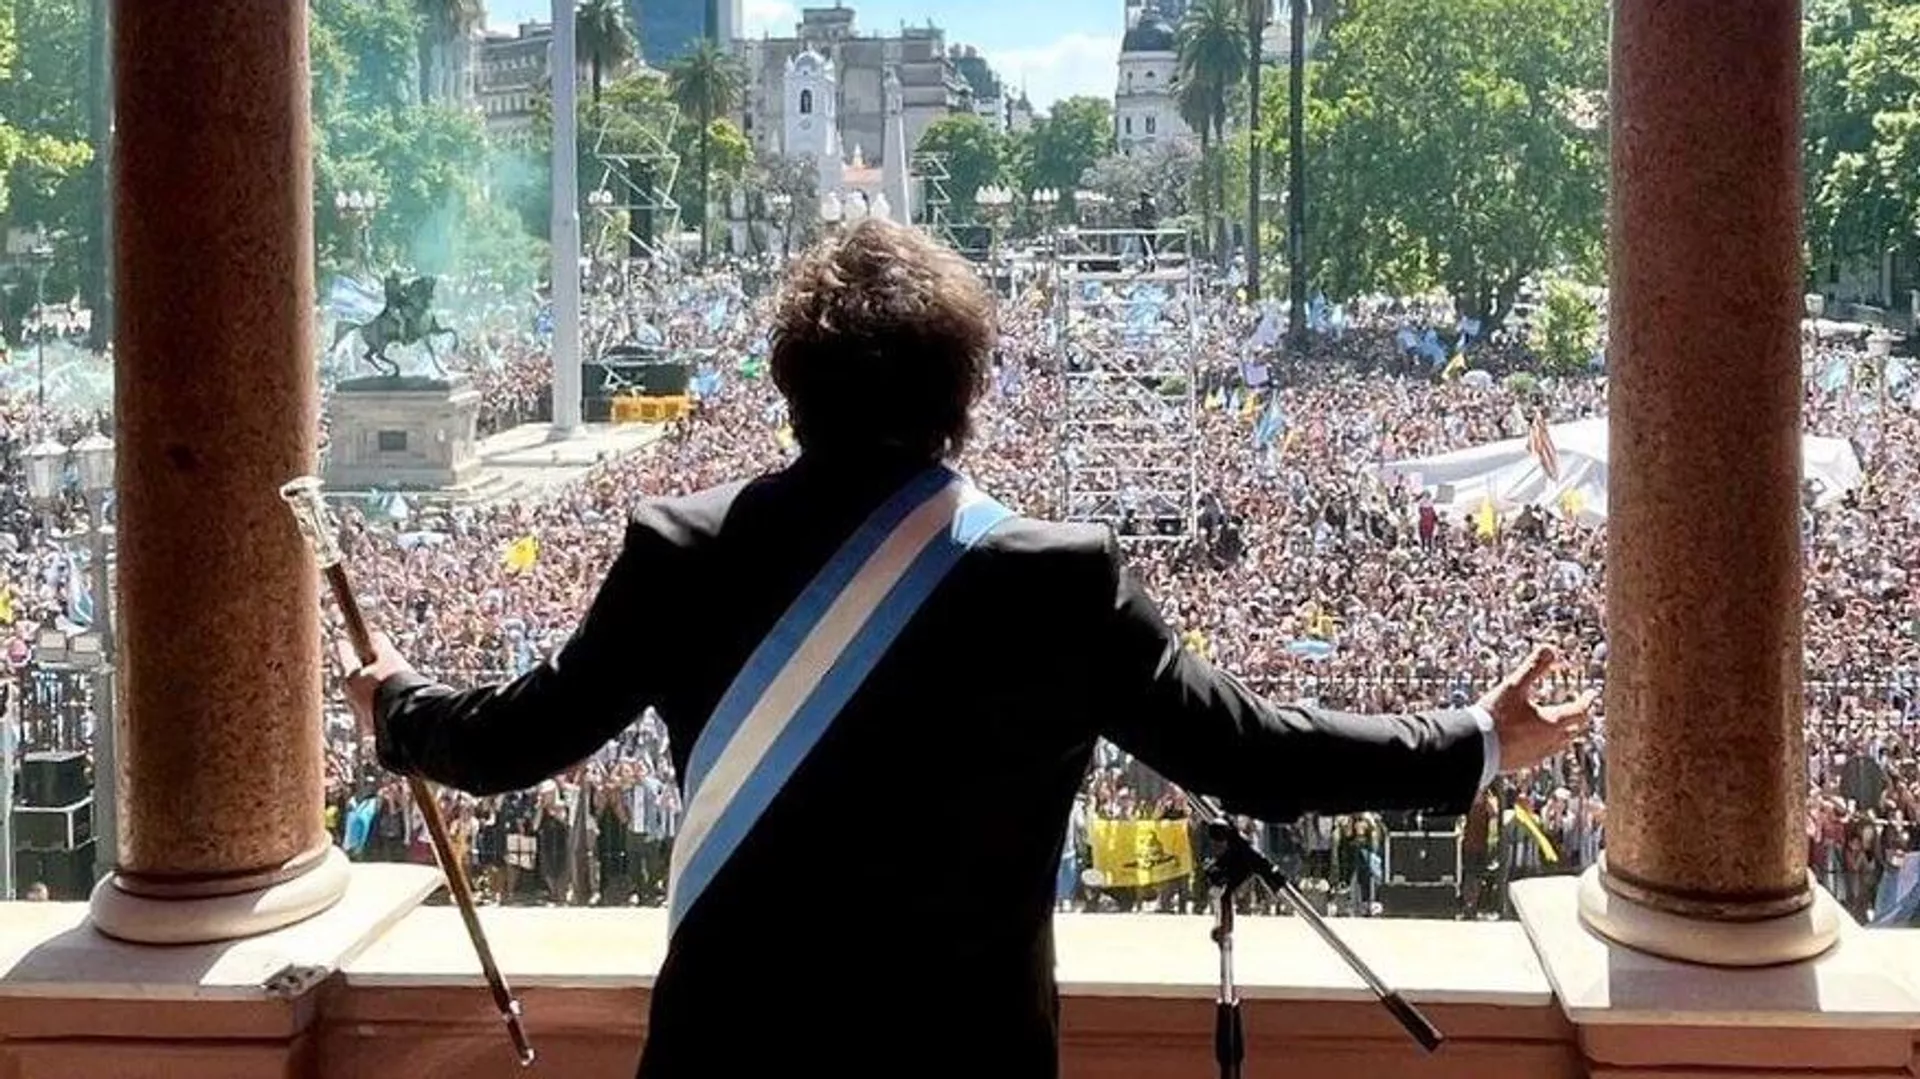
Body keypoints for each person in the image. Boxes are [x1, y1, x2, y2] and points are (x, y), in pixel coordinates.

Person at [338, 220, 1592, 1077]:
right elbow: (1255, 753)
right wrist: (1475, 740)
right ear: (965, 394)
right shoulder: (1054, 580)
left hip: (733, 1048)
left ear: (787, 383)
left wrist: (399, 704)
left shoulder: (683, 549)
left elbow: (514, 741)